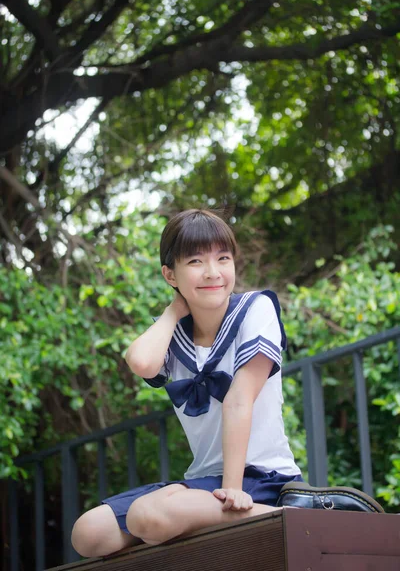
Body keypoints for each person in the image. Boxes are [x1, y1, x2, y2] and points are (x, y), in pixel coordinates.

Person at [71, 209, 384, 559]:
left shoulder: (256, 309)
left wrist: (232, 490)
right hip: (202, 484)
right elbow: (142, 362)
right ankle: (271, 520)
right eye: (195, 261)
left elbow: (239, 401)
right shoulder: (173, 335)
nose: (213, 273)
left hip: (263, 480)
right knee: (88, 533)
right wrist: (174, 312)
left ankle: (302, 519)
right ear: (169, 274)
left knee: (149, 515)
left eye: (223, 258)